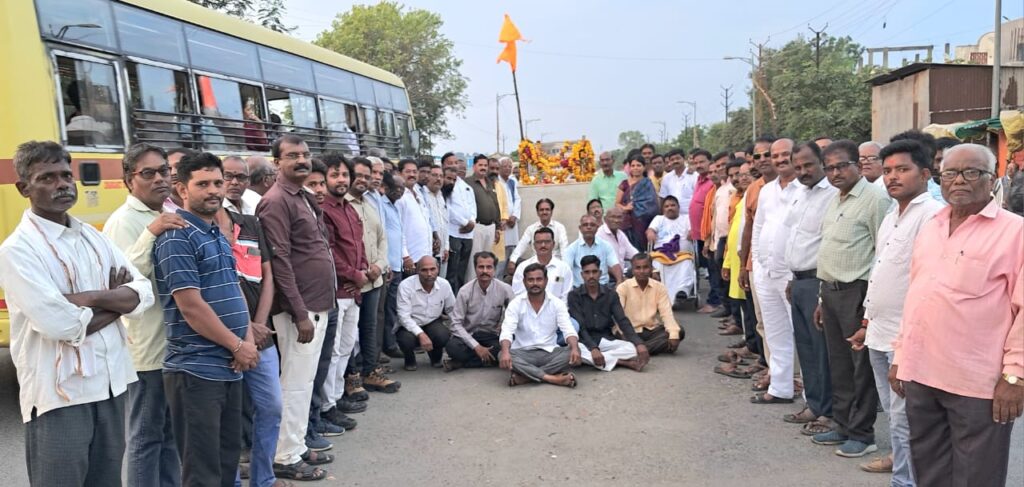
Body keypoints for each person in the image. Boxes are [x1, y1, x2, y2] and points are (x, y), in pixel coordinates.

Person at [0, 141, 153, 486]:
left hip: (111, 385)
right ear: (24, 187)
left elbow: (143, 294)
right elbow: (61, 325)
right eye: (48, 178)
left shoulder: (93, 238)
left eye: (66, 175)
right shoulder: (18, 251)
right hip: (61, 395)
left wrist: (91, 297)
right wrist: (116, 300)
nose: (63, 184)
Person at [889, 144, 1024, 487]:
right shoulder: (932, 226)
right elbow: (917, 296)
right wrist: (901, 356)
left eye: (972, 172)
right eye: (950, 173)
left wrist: (1014, 377)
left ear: (992, 179)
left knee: (976, 477)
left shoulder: (1015, 232)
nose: (959, 180)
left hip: (977, 385)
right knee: (929, 471)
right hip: (921, 375)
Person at [840, 139, 942, 481]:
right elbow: (881, 272)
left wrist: (907, 344)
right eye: (887, 171)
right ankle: (904, 477)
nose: (892, 177)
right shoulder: (891, 216)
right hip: (879, 334)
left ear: (926, 173)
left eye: (902, 169)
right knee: (897, 422)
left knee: (907, 423)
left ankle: (907, 481)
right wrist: (867, 322)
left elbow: (926, 285)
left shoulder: (932, 218)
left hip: (906, 341)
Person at [154, 152, 257, 486]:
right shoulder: (176, 237)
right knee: (202, 472)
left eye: (217, 182)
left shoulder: (215, 232)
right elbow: (191, 307)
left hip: (229, 364)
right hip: (196, 369)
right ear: (181, 188)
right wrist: (237, 345)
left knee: (228, 462)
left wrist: (248, 341)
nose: (214, 190)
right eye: (203, 184)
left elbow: (233, 288)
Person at [103, 143, 185, 487]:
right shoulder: (125, 221)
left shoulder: (167, 210)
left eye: (164, 171)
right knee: (145, 436)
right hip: (147, 348)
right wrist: (151, 235)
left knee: (168, 434)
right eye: (147, 173)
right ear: (128, 180)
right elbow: (123, 281)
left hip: (174, 343)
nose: (159, 179)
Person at [256, 135, 337, 479]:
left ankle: (297, 444)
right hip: (297, 310)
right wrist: (299, 312)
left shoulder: (302, 196)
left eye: (305, 154)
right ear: (277, 162)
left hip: (317, 302)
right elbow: (280, 261)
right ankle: (285, 456)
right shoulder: (276, 201)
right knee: (294, 383)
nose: (301, 160)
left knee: (304, 383)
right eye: (292, 156)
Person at [811, 140, 889, 458]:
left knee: (861, 368)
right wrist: (820, 296)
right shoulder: (836, 200)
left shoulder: (875, 199)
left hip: (858, 293)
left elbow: (883, 254)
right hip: (830, 292)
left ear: (857, 164)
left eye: (841, 165)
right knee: (839, 365)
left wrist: (870, 307)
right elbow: (829, 249)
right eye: (829, 168)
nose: (835, 172)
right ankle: (842, 424)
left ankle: (862, 433)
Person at [214, 199, 286, 487]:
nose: (223, 185)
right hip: (224, 339)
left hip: (260, 336)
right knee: (228, 417)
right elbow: (220, 285)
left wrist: (258, 324)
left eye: (223, 180)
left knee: (272, 407)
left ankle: (264, 479)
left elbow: (268, 277)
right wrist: (245, 329)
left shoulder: (250, 224)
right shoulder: (196, 228)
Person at [781, 142, 839, 430]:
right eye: (798, 166)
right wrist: (793, 278)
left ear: (821, 162)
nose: (803, 171)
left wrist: (820, 292)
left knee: (822, 351)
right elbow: (797, 239)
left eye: (809, 165)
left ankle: (828, 412)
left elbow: (828, 245)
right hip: (800, 280)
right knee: (805, 348)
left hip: (819, 282)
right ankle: (814, 405)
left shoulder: (833, 196)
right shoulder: (800, 194)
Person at [318, 155, 369, 434]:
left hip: (354, 290)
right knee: (334, 350)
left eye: (344, 175)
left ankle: (336, 399)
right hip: (337, 291)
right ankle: (327, 406)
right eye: (334, 175)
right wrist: (354, 274)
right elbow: (331, 253)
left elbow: (357, 246)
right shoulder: (324, 210)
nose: (341, 180)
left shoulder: (348, 208)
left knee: (346, 348)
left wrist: (361, 272)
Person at [748, 138, 799, 405]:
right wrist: (757, 263)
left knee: (802, 335)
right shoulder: (767, 190)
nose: (779, 160)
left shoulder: (806, 189)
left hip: (793, 275)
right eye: (774, 155)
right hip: (765, 273)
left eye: (784, 154)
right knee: (775, 333)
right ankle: (780, 388)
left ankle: (813, 395)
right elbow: (758, 228)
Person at [345, 157, 400, 394]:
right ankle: (351, 377)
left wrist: (379, 265)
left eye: (368, 177)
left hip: (374, 277)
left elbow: (381, 238)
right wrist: (360, 272)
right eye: (359, 175)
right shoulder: (342, 204)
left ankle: (370, 371)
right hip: (354, 280)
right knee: (349, 333)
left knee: (370, 327)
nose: (364, 180)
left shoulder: (369, 202)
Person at [499, 263, 582, 387]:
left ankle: (526, 377)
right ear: (524, 282)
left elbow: (568, 329)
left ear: (546, 281)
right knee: (502, 354)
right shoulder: (516, 304)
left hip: (550, 351)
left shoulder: (557, 303)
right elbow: (507, 331)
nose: (535, 283)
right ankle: (553, 378)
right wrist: (505, 352)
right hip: (523, 352)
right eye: (530, 280)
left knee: (574, 350)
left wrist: (575, 348)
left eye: (539, 279)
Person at [569, 256, 648, 372]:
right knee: (572, 350)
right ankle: (622, 362)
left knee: (632, 349)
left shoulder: (610, 294)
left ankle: (601, 359)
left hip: (605, 340)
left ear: (600, 273)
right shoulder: (574, 296)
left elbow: (622, 321)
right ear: (582, 275)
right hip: (584, 341)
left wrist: (639, 343)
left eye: (594, 272)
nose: (591, 276)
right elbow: (580, 327)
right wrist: (593, 348)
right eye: (587, 272)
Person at [444, 251, 516, 371]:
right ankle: (489, 361)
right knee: (452, 347)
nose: (485, 271)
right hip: (469, 335)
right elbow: (455, 324)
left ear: (494, 269)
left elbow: (515, 316)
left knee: (510, 347)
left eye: (489, 267)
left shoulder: (505, 289)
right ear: (475, 268)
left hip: (491, 336)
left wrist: (504, 332)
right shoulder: (465, 291)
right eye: (481, 267)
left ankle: (461, 363)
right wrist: (477, 347)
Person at [617, 253, 684, 355]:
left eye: (646, 267)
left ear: (651, 268)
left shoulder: (659, 287)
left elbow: (666, 314)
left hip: (651, 330)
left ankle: (636, 351)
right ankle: (644, 348)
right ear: (632, 270)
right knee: (617, 338)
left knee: (679, 331)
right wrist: (622, 334)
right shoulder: (623, 288)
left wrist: (673, 335)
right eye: (638, 268)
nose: (642, 271)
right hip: (630, 331)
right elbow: (618, 316)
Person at [396, 256, 455, 370]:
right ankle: (409, 359)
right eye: (424, 270)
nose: (429, 274)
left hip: (433, 321)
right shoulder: (405, 286)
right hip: (410, 324)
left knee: (442, 335)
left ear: (438, 269)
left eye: (432, 269)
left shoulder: (444, 284)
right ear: (417, 271)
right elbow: (403, 316)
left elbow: (452, 309)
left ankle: (435, 356)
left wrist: (458, 330)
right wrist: (421, 334)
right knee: (405, 340)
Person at [379, 171, 408, 362]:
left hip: (397, 265)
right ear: (387, 188)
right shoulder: (381, 204)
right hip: (387, 267)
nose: (400, 192)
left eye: (402, 188)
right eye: (397, 188)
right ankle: (382, 348)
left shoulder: (395, 206)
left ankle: (389, 344)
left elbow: (399, 234)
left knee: (391, 308)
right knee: (382, 311)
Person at [646, 196, 696, 304]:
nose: (670, 208)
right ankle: (661, 295)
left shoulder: (686, 218)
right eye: (667, 206)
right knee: (656, 265)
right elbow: (650, 230)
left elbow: (693, 230)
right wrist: (650, 233)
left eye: (673, 205)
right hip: (662, 255)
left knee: (686, 265)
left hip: (683, 255)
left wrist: (692, 232)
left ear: (678, 207)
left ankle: (682, 292)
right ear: (663, 209)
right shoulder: (659, 219)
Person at [707, 154, 737, 319]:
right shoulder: (720, 189)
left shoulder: (736, 188)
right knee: (722, 275)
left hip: (731, 239)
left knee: (731, 277)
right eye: (718, 166)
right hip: (719, 239)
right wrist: (709, 241)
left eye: (723, 165)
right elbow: (715, 216)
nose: (720, 169)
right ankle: (728, 309)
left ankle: (735, 316)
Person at [443, 152, 478, 291]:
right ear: (443, 165)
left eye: (455, 162)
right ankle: (451, 300)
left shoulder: (465, 185)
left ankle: (460, 298)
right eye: (450, 163)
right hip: (454, 232)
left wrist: (472, 222)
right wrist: (465, 222)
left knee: (462, 270)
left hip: (468, 234)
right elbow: (448, 208)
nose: (453, 165)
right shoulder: (446, 184)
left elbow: (472, 206)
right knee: (452, 269)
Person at [511, 227, 573, 302]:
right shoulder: (523, 268)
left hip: (557, 312)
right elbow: (518, 295)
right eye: (539, 242)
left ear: (553, 244)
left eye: (547, 242)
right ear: (534, 245)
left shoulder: (563, 269)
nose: (543, 245)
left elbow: (566, 297)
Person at [466, 154, 501, 284]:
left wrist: (497, 226)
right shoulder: (468, 182)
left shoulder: (490, 182)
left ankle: (487, 287)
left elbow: (495, 203)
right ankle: (472, 288)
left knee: (488, 260)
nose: (483, 168)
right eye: (480, 165)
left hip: (491, 227)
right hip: (477, 227)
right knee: (475, 261)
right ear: (474, 166)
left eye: (485, 165)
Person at [507, 198, 570, 271]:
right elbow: (521, 245)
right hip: (536, 265)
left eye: (547, 209)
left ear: (551, 212)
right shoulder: (531, 229)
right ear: (537, 212)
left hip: (555, 264)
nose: (544, 212)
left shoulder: (559, 228)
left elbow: (564, 249)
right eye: (541, 210)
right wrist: (512, 260)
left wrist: (565, 266)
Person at [564, 214, 623, 287]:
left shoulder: (606, 246)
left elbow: (615, 265)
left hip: (603, 287)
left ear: (597, 227)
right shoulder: (572, 249)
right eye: (585, 225)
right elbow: (566, 271)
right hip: (580, 290)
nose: (589, 227)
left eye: (592, 225)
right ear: (580, 228)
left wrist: (619, 282)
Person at [397, 159, 434, 268]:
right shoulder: (399, 197)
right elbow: (399, 229)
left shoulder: (419, 194)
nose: (412, 175)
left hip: (425, 256)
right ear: (399, 174)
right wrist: (405, 256)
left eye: (414, 172)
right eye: (408, 172)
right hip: (410, 259)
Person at [617, 153, 659, 249]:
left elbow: (653, 205)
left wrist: (640, 210)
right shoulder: (624, 184)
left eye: (639, 165)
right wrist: (625, 208)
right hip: (628, 224)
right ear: (629, 168)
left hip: (645, 222)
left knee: (644, 249)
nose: (636, 168)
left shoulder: (648, 183)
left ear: (644, 167)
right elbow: (617, 203)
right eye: (633, 165)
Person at [497, 157, 521, 278]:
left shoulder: (512, 181)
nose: (507, 168)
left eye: (509, 166)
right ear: (499, 168)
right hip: (503, 223)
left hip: (512, 223)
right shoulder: (496, 182)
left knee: (513, 253)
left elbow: (517, 199)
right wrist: (505, 218)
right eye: (504, 166)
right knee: (501, 257)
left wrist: (515, 216)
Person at [424, 164, 450, 274]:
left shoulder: (441, 196)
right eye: (434, 175)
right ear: (427, 177)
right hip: (429, 250)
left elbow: (445, 224)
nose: (438, 179)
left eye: (441, 176)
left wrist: (446, 247)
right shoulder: (423, 196)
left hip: (442, 250)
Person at [659, 148, 697, 219]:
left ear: (684, 159)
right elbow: (663, 198)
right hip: (672, 218)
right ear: (669, 162)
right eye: (672, 160)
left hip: (690, 217)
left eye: (678, 158)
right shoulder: (667, 178)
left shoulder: (694, 176)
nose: (675, 161)